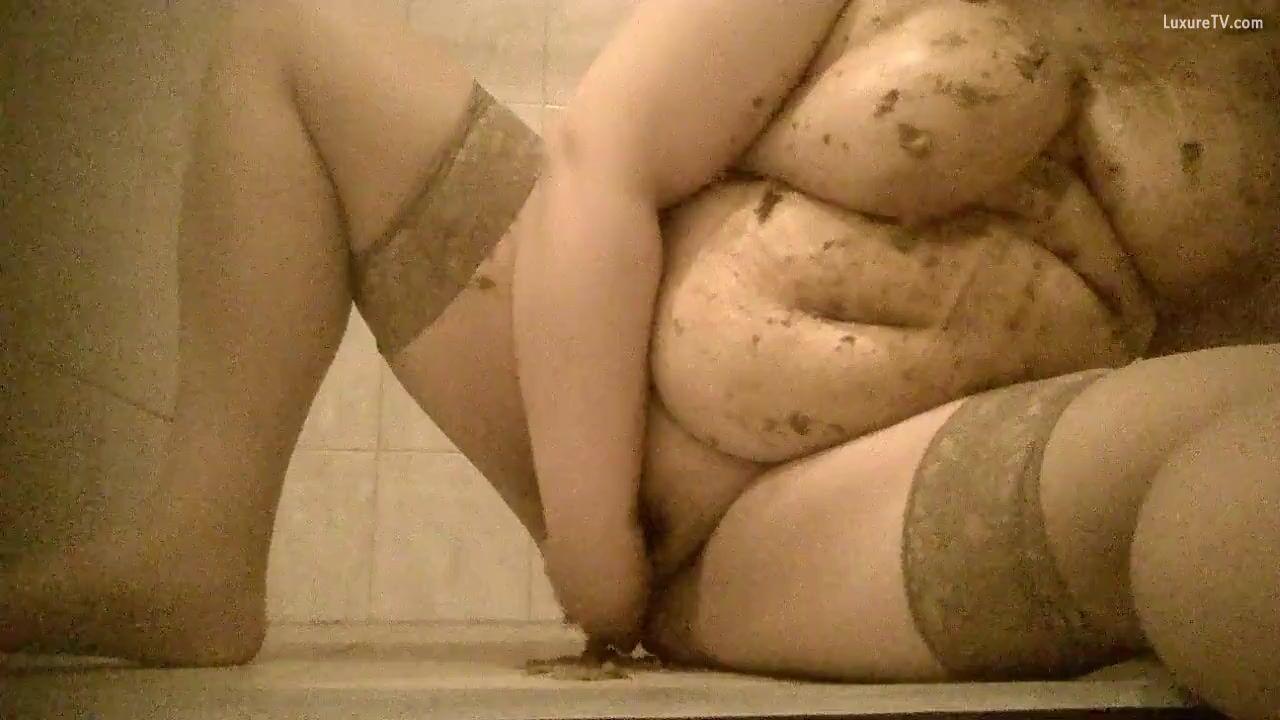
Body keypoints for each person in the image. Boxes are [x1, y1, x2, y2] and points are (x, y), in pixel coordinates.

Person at [1, 0, 1277, 717]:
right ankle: (194, 553)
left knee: (1244, 414)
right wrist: (591, 539)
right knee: (293, 41)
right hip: (607, 420)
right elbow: (602, 154)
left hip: (858, 512)